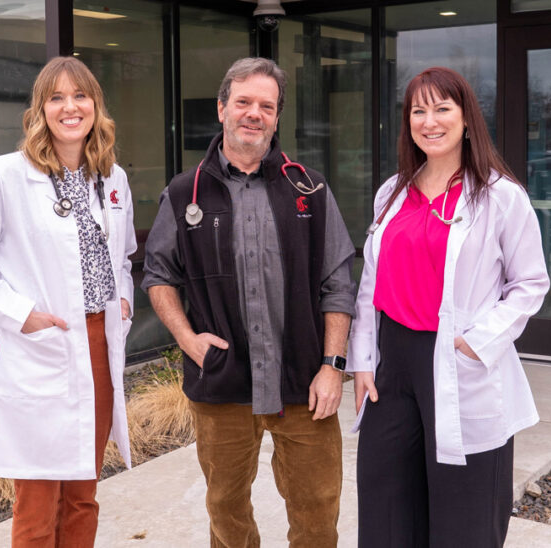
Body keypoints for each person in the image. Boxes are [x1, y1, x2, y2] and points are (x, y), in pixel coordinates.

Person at [142, 57, 356, 547]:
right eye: (243, 102)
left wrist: (333, 365)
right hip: (221, 381)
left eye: (267, 105)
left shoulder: (310, 188)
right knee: (226, 509)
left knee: (318, 509)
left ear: (277, 117)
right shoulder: (184, 192)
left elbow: (337, 283)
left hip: (305, 384)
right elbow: (159, 275)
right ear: (222, 109)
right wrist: (187, 339)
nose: (254, 113)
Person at [347, 66, 550, 548]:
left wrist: (476, 344)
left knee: (465, 514)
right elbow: (370, 282)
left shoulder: (500, 196)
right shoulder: (392, 192)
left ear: (465, 119)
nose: (429, 121)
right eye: (419, 110)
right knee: (386, 506)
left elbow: (530, 283)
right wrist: (362, 361)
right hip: (392, 366)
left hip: (460, 361)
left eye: (442, 109)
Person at [0, 56, 137, 547]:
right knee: (37, 499)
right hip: (41, 346)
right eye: (56, 97)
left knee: (83, 493)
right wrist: (20, 315)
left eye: (80, 96)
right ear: (40, 110)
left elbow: (126, 258)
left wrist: (124, 301)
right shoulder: (8, 175)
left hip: (97, 345)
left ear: (95, 105)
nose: (70, 107)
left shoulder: (112, 178)